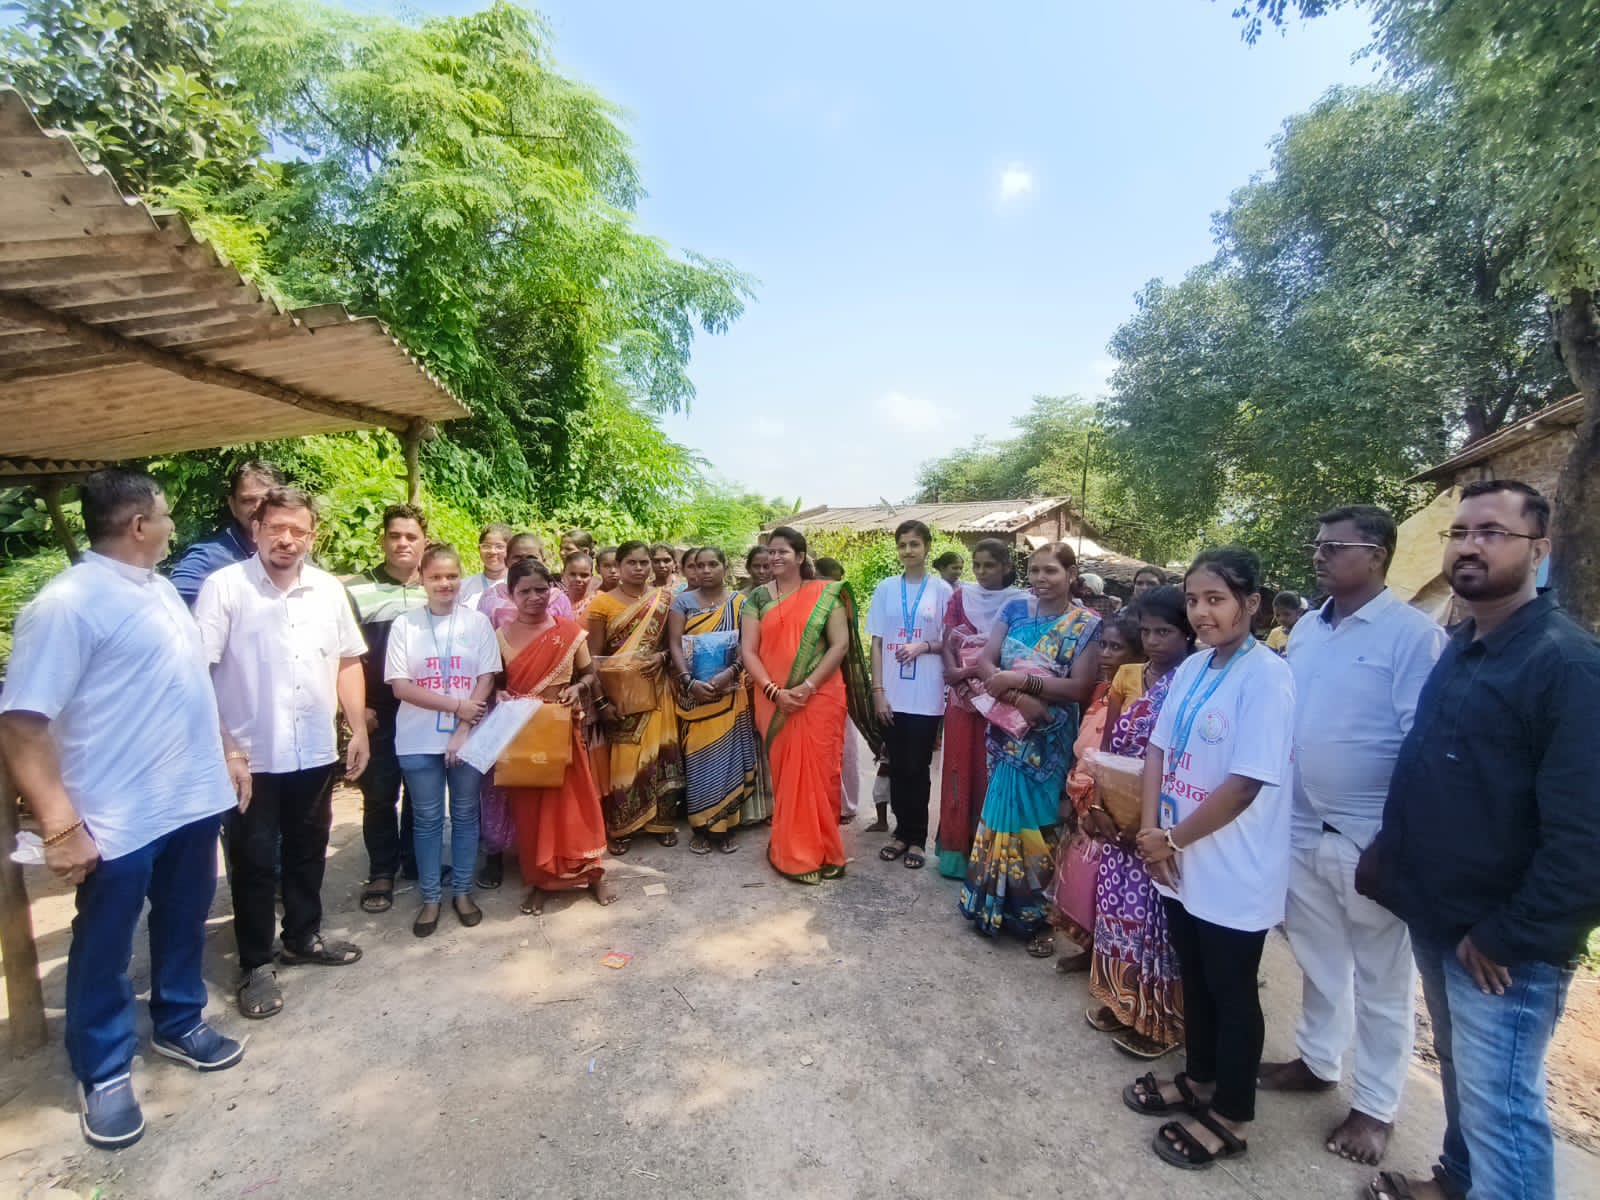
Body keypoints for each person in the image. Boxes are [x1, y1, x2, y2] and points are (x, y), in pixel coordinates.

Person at [1357, 480, 1600, 1200]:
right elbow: (1431, 767)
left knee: (1503, 1110)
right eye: (1459, 531)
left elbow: (1586, 834)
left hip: (1502, 943)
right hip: (1443, 915)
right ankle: (1456, 1180)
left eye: (1492, 532)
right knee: (1464, 1074)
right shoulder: (1464, 645)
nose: (1469, 544)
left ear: (1540, 549)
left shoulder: (1566, 664)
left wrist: (1510, 932)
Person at [0, 469, 245, 1150]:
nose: (172, 526)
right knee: (105, 943)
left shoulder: (162, 589)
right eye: (164, 515)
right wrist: (59, 824)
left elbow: (191, 683)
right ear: (138, 526)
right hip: (117, 814)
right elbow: (21, 723)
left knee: (183, 917)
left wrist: (226, 750)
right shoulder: (67, 605)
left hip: (189, 799)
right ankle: (103, 1069)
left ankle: (178, 1019)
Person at [1257, 506, 1447, 1165]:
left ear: (1378, 554)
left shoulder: (1412, 635)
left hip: (1368, 836)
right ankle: (1316, 1060)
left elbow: (1423, 745)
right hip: (1302, 823)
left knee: (1381, 976)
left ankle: (1376, 1107)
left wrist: (1394, 841)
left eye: (1334, 546)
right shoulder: (1308, 629)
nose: (1320, 555)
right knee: (1317, 956)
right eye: (1318, 545)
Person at [1125, 545, 1295, 1172]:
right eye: (1194, 599)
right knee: (1192, 976)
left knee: (1231, 989)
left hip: (1232, 864)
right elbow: (1157, 752)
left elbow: (1246, 782)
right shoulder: (1195, 668)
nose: (1200, 612)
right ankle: (1197, 1080)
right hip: (1175, 857)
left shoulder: (1268, 677)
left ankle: (1232, 1112)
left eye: (1216, 599)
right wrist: (1151, 832)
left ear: (1251, 604)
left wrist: (1170, 839)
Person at [195, 486, 369, 1022]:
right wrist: (227, 750)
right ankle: (255, 963)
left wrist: (357, 728)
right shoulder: (225, 589)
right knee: (250, 863)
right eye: (277, 529)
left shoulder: (326, 590)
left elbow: (346, 660)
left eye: (298, 530)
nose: (287, 540)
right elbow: (198, 673)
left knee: (307, 850)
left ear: (312, 536)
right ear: (256, 529)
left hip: (314, 750)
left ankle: (302, 936)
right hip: (251, 758)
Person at [959, 542, 1102, 946]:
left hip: (1050, 736)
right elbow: (986, 662)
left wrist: (1021, 682)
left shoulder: (1086, 623)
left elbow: (1079, 687)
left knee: (1039, 819)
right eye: (1035, 571)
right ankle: (988, 904)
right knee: (1001, 809)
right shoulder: (1015, 609)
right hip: (1008, 728)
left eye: (1051, 571)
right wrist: (1018, 698)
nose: (1041, 579)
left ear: (1071, 574)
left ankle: (1033, 913)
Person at [1079, 586, 1194, 1058]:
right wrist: (1101, 803)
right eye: (1145, 631)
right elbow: (1110, 741)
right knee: (1117, 913)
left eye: (1164, 632)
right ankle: (1121, 997)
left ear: (1187, 633)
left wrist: (1147, 819)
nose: (1153, 641)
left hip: (1164, 812)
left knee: (1156, 924)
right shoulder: (1131, 674)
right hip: (1120, 805)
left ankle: (1158, 1018)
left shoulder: (1192, 680)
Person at [741, 526, 877, 883]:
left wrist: (807, 686)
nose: (774, 558)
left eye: (782, 551)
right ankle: (792, 852)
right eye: (770, 552)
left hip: (820, 696)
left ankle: (826, 849)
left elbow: (839, 646)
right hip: (774, 699)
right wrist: (775, 691)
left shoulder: (825, 593)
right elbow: (748, 652)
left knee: (821, 772)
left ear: (801, 557)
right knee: (788, 775)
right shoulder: (756, 598)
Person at [385, 543, 500, 936]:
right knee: (429, 819)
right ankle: (431, 898)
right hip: (417, 739)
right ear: (422, 579)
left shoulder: (477, 623)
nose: (445, 583)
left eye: (452, 576)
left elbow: (487, 676)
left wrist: (464, 728)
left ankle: (463, 892)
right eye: (435, 577)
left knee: (467, 815)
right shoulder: (405, 624)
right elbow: (401, 686)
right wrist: (456, 706)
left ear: (460, 577)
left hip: (470, 737)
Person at [495, 558, 616, 914]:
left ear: (552, 589)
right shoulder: (499, 637)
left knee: (577, 805)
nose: (534, 597)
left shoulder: (570, 632)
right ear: (511, 594)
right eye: (525, 591)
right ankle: (540, 880)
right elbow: (497, 684)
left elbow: (590, 675)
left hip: (562, 730)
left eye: (541, 589)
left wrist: (578, 689)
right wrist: (500, 694)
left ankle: (592, 874)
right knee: (530, 811)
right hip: (523, 736)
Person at [345, 503, 427, 911]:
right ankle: (382, 871)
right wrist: (359, 712)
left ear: (423, 542)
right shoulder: (357, 589)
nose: (402, 543)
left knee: (420, 789)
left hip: (425, 708)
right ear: (383, 540)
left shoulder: (436, 585)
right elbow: (348, 658)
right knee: (379, 792)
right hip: (380, 710)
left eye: (411, 536)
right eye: (395, 535)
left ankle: (416, 861)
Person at [1049, 608, 1142, 965]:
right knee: (1081, 874)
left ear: (1137, 655)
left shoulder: (1138, 698)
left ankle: (1108, 956)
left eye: (1115, 648)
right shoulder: (1101, 690)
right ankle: (1089, 949)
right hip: (1082, 791)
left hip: (1113, 801)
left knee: (1107, 879)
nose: (1104, 654)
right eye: (1102, 645)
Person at [936, 537, 1026, 877]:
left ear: (1006, 566)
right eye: (977, 565)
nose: (982, 572)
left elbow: (1019, 653)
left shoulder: (1021, 603)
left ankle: (987, 855)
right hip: (961, 699)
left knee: (990, 772)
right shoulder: (961, 597)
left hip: (999, 699)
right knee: (959, 768)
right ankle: (955, 854)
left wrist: (975, 671)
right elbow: (947, 641)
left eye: (990, 565)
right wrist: (955, 676)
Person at [867, 519, 953, 870]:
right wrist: (877, 690)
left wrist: (924, 646)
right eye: (902, 544)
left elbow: (953, 640)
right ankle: (901, 833)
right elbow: (876, 641)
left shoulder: (943, 591)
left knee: (918, 767)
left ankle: (917, 838)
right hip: (891, 693)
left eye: (915, 544)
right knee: (897, 766)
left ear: (927, 547)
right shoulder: (886, 588)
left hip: (927, 693)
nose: (908, 551)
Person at [587, 540, 682, 852]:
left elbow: (672, 645)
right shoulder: (602, 604)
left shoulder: (664, 599)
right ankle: (623, 825)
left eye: (645, 563)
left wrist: (664, 657)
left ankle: (661, 822)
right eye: (633, 563)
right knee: (625, 759)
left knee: (662, 751)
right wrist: (602, 701)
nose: (640, 569)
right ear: (619, 566)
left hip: (657, 689)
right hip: (621, 695)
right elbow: (593, 658)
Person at [668, 547, 759, 854]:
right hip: (694, 697)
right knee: (699, 759)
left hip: (730, 694)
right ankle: (701, 827)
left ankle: (725, 827)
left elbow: (748, 647)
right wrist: (688, 682)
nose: (706, 570)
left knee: (729, 759)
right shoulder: (682, 602)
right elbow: (674, 645)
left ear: (724, 566)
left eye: (712, 564)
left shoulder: (740, 603)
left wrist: (730, 673)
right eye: (699, 565)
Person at [168, 460, 284, 606]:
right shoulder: (208, 557)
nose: (257, 507)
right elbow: (166, 607)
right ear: (232, 506)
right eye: (247, 501)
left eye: (266, 499)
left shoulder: (293, 550)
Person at [813, 557, 863, 824]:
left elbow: (846, 649)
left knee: (844, 746)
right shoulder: (808, 601)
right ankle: (829, 802)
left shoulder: (842, 602)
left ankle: (846, 805)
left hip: (838, 682)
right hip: (813, 684)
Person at [479, 533, 574, 629]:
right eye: (517, 558)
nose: (525, 563)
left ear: (543, 562)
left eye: (532, 558)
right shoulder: (491, 600)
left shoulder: (558, 599)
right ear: (506, 561)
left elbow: (570, 636)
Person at [458, 522, 513, 608]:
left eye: (499, 547)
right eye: (486, 546)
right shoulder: (462, 587)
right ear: (479, 549)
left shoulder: (519, 586)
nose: (492, 551)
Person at [560, 551, 597, 625]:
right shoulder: (556, 602)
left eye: (584, 575)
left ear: (591, 577)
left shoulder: (599, 601)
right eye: (572, 574)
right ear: (563, 575)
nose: (578, 579)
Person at [1265, 590, 1304, 655]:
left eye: (1287, 614)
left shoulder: (1307, 632)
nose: (1281, 619)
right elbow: (1268, 657)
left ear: (1299, 612)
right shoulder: (1275, 633)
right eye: (1277, 615)